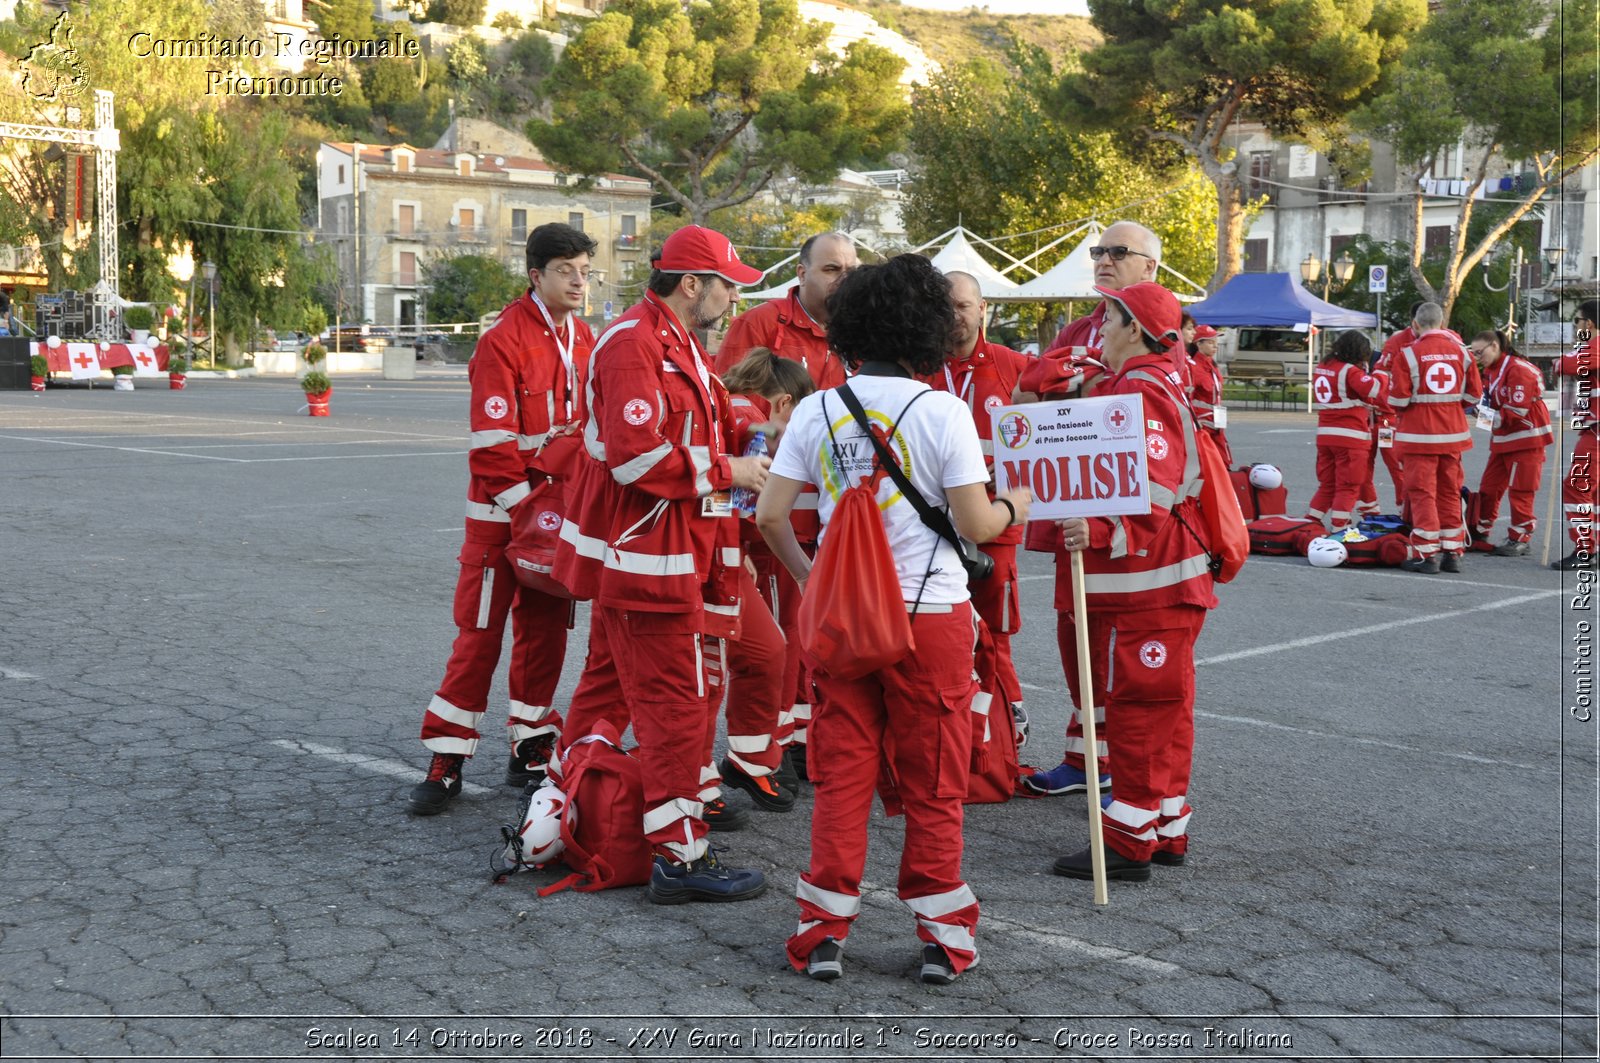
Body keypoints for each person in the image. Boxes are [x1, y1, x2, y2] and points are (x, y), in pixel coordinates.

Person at [757, 254, 1031, 986]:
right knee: (935, 780)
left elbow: (771, 515)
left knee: (841, 775)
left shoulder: (817, 406)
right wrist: (1018, 506)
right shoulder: (943, 409)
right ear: (928, 325)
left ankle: (821, 932)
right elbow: (975, 519)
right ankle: (943, 936)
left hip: (844, 623)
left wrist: (814, 583)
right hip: (930, 617)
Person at [552, 224, 774, 903]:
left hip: (678, 553)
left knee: (667, 698)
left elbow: (685, 431)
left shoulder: (674, 341)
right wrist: (731, 466)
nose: (733, 299)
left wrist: (754, 434)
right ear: (691, 285)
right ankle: (677, 857)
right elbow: (636, 455)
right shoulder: (635, 344)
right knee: (674, 706)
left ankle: (580, 809)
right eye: (726, 285)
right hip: (650, 557)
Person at [407, 222, 598, 815]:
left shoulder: (588, 338)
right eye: (566, 270)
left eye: (585, 271)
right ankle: (446, 756)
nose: (578, 281)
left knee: (544, 630)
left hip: (554, 514)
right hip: (501, 515)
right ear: (535, 275)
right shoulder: (503, 341)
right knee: (480, 633)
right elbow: (491, 449)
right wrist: (526, 512)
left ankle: (531, 742)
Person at [1051, 282, 1218, 882]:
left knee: (1142, 711)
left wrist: (1098, 532)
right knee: (1168, 711)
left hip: (1155, 580)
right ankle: (1165, 828)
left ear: (1136, 329)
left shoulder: (1143, 389)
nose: (1100, 324)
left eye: (1110, 316)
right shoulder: (1148, 381)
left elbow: (1156, 487)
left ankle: (1126, 841)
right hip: (1163, 580)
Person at [714, 231, 859, 779]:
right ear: (800, 273)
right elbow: (726, 400)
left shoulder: (860, 329)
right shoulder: (762, 323)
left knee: (812, 628)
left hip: (839, 510)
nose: (841, 278)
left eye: (850, 268)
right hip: (770, 507)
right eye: (830, 269)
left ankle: (800, 734)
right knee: (775, 630)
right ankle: (765, 746)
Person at [926, 270, 1032, 745]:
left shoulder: (1014, 366)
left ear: (984, 309)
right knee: (935, 628)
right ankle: (946, 729)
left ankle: (1006, 725)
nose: (954, 315)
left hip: (995, 528)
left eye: (963, 306)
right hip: (932, 526)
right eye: (945, 306)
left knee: (995, 634)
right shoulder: (920, 368)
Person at [717, 349, 816, 811]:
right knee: (727, 664)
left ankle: (752, 760)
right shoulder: (752, 421)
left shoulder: (735, 407)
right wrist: (730, 544)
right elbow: (720, 495)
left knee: (756, 653)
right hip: (700, 558)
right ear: (782, 404)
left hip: (707, 554)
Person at [1387, 302, 1482, 574]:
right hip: (1452, 435)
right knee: (1450, 492)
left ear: (1415, 325)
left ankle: (1426, 554)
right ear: (1442, 323)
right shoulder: (1462, 355)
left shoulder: (1408, 354)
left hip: (1419, 437)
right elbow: (1474, 396)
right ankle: (1453, 553)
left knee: (1421, 494)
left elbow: (1398, 400)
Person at [1468, 329, 1553, 556]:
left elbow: (1516, 412)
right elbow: (1492, 409)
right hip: (1503, 439)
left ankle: (1520, 537)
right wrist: (1475, 411)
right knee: (1489, 487)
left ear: (1494, 346)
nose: (1477, 357)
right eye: (1474, 353)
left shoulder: (1518, 369)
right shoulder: (1490, 370)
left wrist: (1480, 415)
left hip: (1526, 439)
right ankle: (1479, 530)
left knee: (1521, 490)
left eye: (1480, 352)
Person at [1306, 331, 1389, 534]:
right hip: (1351, 436)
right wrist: (1381, 372)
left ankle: (1310, 522)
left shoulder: (1322, 367)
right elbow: (1374, 390)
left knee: (1327, 484)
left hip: (1325, 434)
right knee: (1349, 486)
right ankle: (1340, 528)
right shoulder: (1350, 371)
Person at [1553, 300, 1600, 569]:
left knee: (1576, 486)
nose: (1575, 327)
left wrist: (1559, 362)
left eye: (1577, 321)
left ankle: (1585, 549)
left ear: (1588, 324)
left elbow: (1568, 364)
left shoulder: (1594, 347)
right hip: (1593, 430)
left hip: (1596, 434)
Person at [1187, 324, 1232, 467]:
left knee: (1222, 460)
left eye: (1216, 343)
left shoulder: (1212, 365)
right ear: (1198, 344)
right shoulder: (1193, 367)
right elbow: (1187, 398)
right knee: (1207, 463)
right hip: (1202, 423)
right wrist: (1194, 421)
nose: (1215, 346)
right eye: (1211, 342)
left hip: (1217, 422)